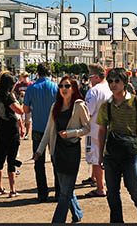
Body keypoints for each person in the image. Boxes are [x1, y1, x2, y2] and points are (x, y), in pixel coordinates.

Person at [34, 76, 91, 223]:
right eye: (61, 86)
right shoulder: (55, 106)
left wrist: (70, 134)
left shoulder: (79, 106)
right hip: (57, 151)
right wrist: (39, 151)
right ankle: (77, 214)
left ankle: (57, 221)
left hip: (72, 150)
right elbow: (48, 131)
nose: (63, 89)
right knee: (66, 188)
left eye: (67, 86)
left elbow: (87, 128)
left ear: (73, 89)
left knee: (64, 193)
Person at [97, 68, 137, 223]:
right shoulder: (106, 105)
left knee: (133, 186)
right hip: (111, 153)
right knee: (112, 191)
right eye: (110, 81)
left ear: (125, 83)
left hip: (131, 151)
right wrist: (100, 154)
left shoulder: (136, 102)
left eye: (117, 81)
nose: (113, 84)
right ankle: (117, 221)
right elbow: (101, 130)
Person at [23, 63, 59, 203]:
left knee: (39, 162)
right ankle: (58, 192)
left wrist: (34, 107)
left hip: (38, 128)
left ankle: (42, 193)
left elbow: (25, 109)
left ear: (37, 73)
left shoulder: (31, 88)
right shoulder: (56, 87)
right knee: (56, 162)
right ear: (50, 73)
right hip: (53, 129)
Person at [0, 73, 27, 198]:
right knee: (11, 160)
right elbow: (20, 111)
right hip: (11, 129)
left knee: (0, 159)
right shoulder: (8, 97)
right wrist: (23, 102)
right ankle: (13, 190)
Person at [82, 64, 111, 198]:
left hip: (95, 129)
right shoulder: (111, 88)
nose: (89, 80)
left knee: (96, 158)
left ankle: (100, 187)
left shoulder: (94, 91)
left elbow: (87, 112)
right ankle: (99, 181)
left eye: (91, 77)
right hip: (109, 128)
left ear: (97, 77)